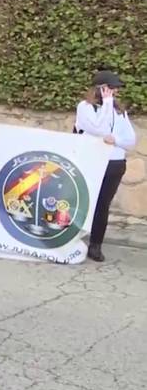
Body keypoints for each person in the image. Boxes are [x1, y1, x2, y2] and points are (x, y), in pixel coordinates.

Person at [74, 70, 137, 262]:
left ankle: (96, 245)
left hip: (114, 164)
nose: (114, 92)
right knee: (83, 202)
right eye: (110, 88)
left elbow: (130, 140)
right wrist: (107, 104)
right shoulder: (85, 108)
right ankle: (71, 239)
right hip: (92, 162)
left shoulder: (120, 112)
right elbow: (99, 129)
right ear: (100, 89)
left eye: (115, 89)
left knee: (102, 205)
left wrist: (115, 139)